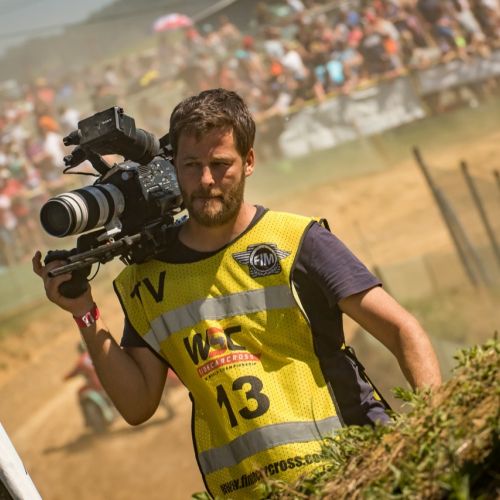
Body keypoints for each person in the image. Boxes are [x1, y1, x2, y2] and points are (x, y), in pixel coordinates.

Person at [33, 88, 441, 498]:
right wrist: (84, 312)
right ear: (174, 167)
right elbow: (137, 404)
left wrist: (435, 424)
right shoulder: (144, 279)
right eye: (191, 165)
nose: (205, 181)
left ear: (249, 162)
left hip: (358, 472)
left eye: (220, 164)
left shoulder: (297, 239)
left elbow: (402, 330)